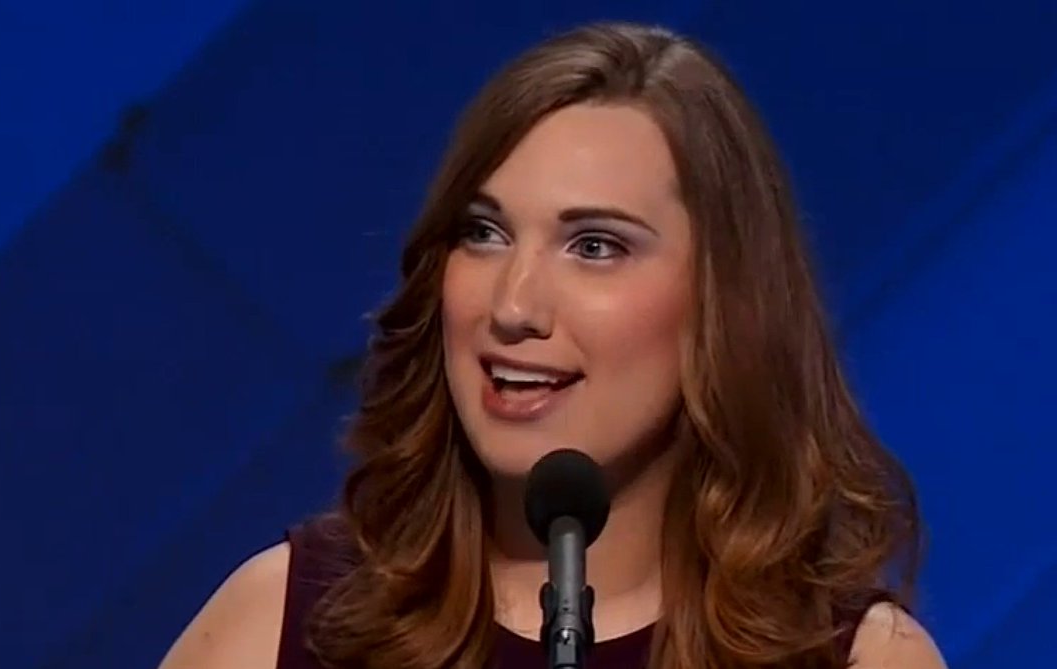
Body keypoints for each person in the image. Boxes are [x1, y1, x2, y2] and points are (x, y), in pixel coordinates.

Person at [158, 21, 947, 669]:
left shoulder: (858, 658)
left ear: (726, 303)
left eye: (595, 245)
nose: (513, 304)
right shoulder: (287, 621)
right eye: (484, 233)